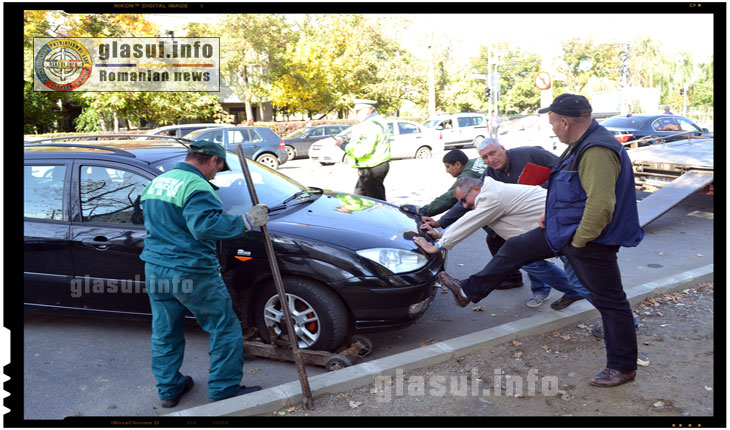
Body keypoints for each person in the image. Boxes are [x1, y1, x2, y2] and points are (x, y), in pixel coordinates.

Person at [436, 94, 644, 388]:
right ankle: (468, 290)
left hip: (588, 238)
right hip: (562, 229)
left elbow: (601, 205)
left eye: (552, 122)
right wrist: (552, 215)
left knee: (610, 300)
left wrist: (581, 241)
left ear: (565, 121)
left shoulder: (596, 149)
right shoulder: (579, 146)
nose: (552, 128)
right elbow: (569, 190)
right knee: (517, 246)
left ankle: (622, 367)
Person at [140, 140, 270, 407]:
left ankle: (169, 390)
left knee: (165, 331)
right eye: (219, 169)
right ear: (213, 160)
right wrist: (246, 221)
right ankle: (224, 388)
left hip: (155, 267)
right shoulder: (196, 186)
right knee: (224, 327)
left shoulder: (159, 182)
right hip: (190, 271)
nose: (216, 175)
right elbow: (204, 226)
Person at [414, 176, 593, 311]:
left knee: (588, 284)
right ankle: (467, 291)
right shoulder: (490, 195)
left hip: (568, 229)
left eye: (464, 200)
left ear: (476, 188)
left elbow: (470, 221)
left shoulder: (492, 196)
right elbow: (469, 219)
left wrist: (438, 245)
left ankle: (616, 320)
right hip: (555, 231)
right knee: (528, 260)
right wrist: (440, 235)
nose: (464, 205)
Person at [335, 99, 391, 200]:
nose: (356, 114)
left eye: (358, 111)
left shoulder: (370, 125)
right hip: (373, 166)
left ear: (369, 109)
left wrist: (343, 145)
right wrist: (348, 141)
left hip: (372, 167)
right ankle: (350, 212)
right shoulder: (377, 121)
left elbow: (363, 150)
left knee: (378, 204)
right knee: (358, 198)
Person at [406, 149, 486, 217]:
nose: (447, 171)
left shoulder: (466, 176)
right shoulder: (476, 160)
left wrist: (424, 211)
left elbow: (450, 197)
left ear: (458, 164)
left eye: (448, 167)